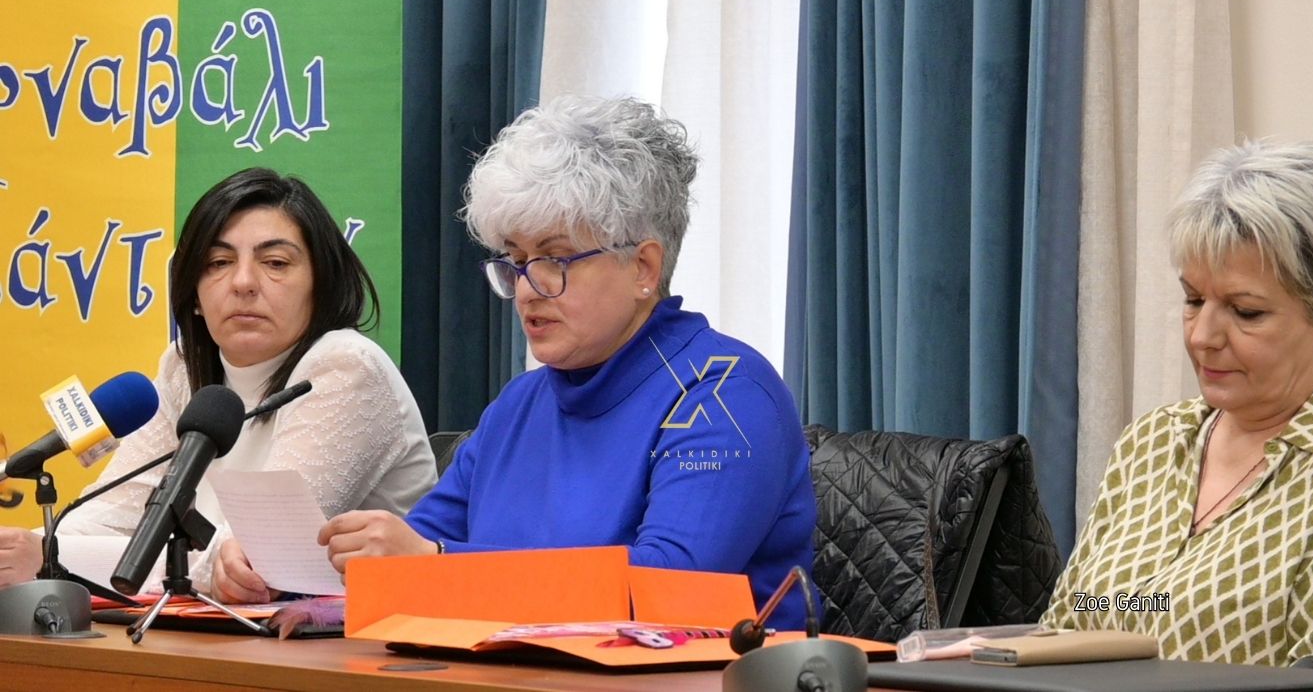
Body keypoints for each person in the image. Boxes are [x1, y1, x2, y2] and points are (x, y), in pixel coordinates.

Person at [314, 95, 817, 629]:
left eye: (555, 259)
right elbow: (414, 549)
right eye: (516, 261)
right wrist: (312, 585)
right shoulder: (519, 403)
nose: (527, 289)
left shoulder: (725, 395)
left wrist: (434, 563)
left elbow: (664, 588)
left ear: (643, 268)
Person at [0, 168, 438, 600]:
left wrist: (52, 558)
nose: (243, 282)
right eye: (218, 263)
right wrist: (24, 549)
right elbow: (114, 514)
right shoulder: (184, 367)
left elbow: (253, 563)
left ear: (320, 285)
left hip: (363, 637)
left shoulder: (346, 368)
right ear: (193, 293)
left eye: (275, 263)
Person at [1041, 141, 1313, 666]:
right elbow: (1073, 615)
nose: (1202, 336)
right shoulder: (1152, 440)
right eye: (1193, 300)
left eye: (1245, 311)